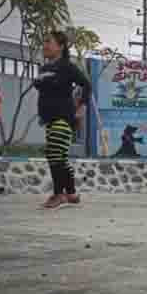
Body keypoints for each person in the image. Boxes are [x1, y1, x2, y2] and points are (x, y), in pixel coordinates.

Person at [34, 31, 91, 209]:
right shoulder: (44, 69)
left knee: (53, 155)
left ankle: (59, 194)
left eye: (48, 42)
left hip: (63, 117)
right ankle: (72, 194)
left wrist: (81, 107)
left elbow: (86, 85)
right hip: (49, 119)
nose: (45, 45)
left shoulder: (67, 67)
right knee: (61, 157)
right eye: (44, 42)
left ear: (60, 46)